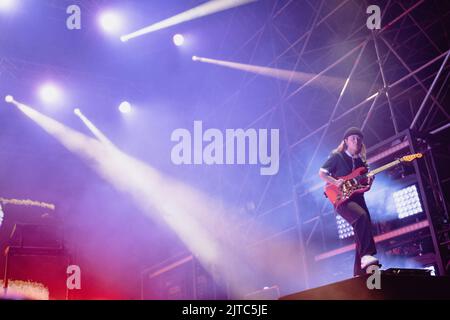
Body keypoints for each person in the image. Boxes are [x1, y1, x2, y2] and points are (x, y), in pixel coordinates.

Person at [319, 127, 379, 276]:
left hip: (358, 197)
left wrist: (370, 181)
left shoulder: (361, 162)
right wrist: (335, 181)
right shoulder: (337, 157)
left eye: (359, 139)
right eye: (353, 138)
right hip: (341, 198)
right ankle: (366, 255)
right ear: (346, 141)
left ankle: (359, 272)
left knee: (364, 228)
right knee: (361, 217)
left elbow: (365, 185)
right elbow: (321, 173)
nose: (356, 141)